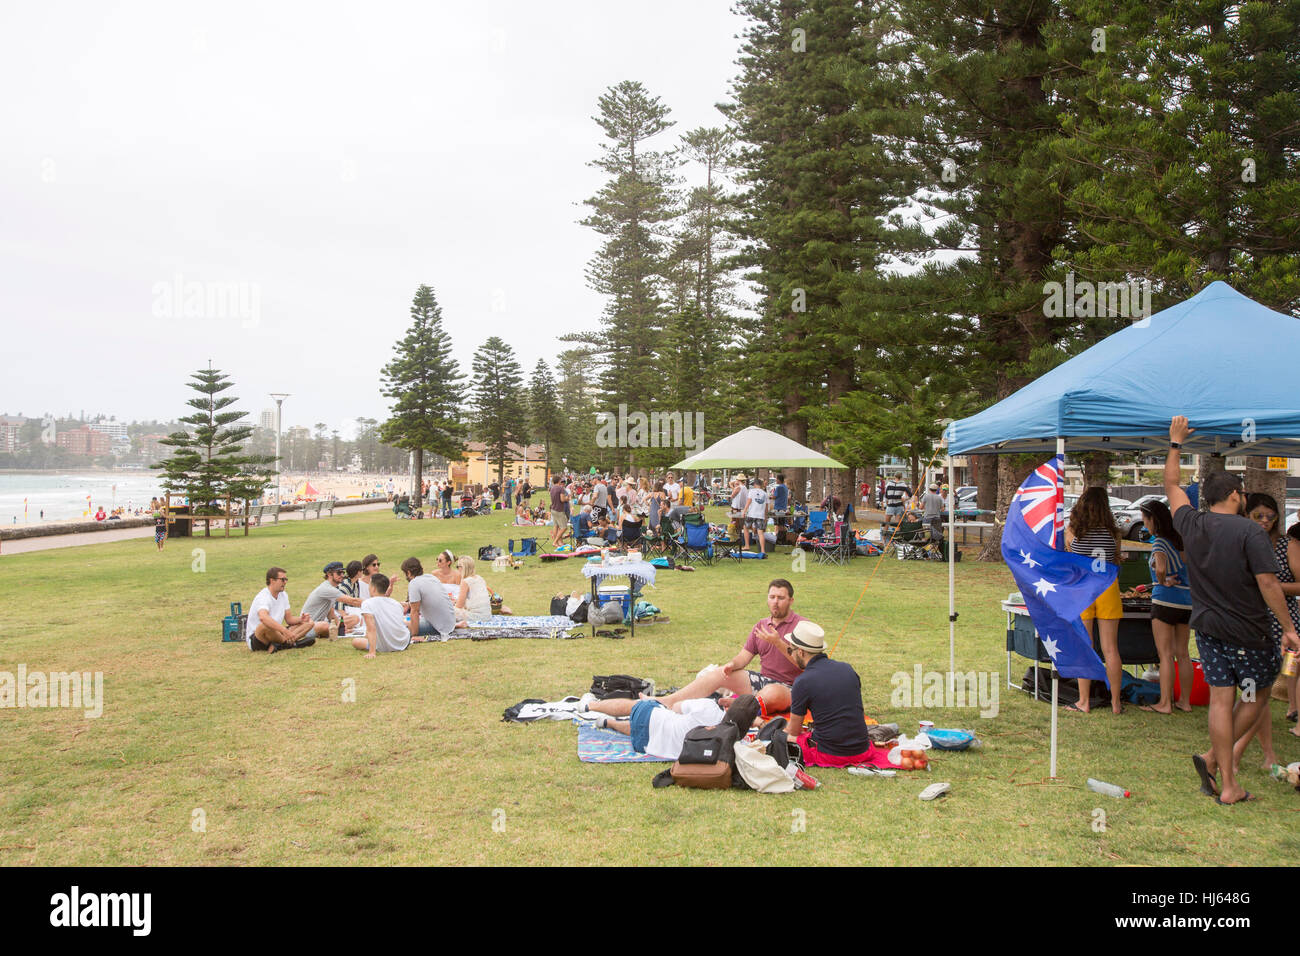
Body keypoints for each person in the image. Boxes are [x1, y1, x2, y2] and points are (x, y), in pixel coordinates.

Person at [1165, 416, 1298, 805]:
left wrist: (1176, 443)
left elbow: (1172, 485)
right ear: (1238, 495)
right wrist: (1289, 628)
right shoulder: (1250, 532)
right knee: (1254, 696)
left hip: (1207, 629)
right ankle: (1217, 768)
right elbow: (1269, 584)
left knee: (1222, 699)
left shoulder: (1192, 522)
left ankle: (1223, 777)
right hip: (1249, 634)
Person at [1230, 493, 1300, 769]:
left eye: (1270, 516)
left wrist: (1268, 586)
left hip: (1283, 626)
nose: (1265, 521)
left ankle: (1238, 753)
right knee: (1257, 693)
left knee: (1263, 691)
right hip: (1249, 624)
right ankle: (1267, 755)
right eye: (1258, 515)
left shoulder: (1287, 545)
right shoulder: (1241, 543)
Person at [584, 676, 762, 761]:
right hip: (647, 745)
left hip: (649, 718)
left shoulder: (708, 708)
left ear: (727, 704)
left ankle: (591, 706)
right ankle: (609, 723)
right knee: (649, 726)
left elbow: (676, 706)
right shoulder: (734, 744)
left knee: (645, 707)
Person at [782, 621, 876, 766]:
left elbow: (794, 731)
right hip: (863, 749)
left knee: (782, 737)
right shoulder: (847, 668)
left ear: (800, 652)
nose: (791, 656)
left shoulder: (803, 681)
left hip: (830, 753)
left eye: (790, 651)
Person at [1066, 487, 1124, 715]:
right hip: (1108, 588)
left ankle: (1084, 701)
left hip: (1083, 590)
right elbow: (1116, 560)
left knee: (1085, 645)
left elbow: (1070, 559)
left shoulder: (1073, 530)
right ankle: (1116, 703)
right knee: (1111, 649)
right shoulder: (1114, 532)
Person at [1140, 499, 1193, 714]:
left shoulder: (1160, 542)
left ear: (1153, 519)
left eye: (1145, 519)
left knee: (1165, 654)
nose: (1144, 523)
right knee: (1183, 653)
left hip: (1165, 600)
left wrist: (1162, 581)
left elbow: (1160, 567)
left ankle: (1164, 703)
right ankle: (1185, 702)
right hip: (1187, 602)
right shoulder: (1181, 541)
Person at [245, 567, 318, 654]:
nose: (285, 582)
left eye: (286, 579)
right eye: (282, 580)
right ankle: (291, 644)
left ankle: (282, 644)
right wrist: (285, 631)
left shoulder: (283, 595)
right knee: (265, 625)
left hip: (276, 634)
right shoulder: (263, 597)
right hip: (259, 638)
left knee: (310, 623)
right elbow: (263, 618)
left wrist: (301, 619)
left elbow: (289, 619)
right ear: (272, 580)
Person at [351, 572, 412, 657]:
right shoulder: (396, 603)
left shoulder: (367, 603)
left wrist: (372, 652)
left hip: (383, 646)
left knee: (356, 642)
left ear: (373, 589)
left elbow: (371, 628)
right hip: (403, 642)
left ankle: (373, 646)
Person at [400, 556, 458, 641]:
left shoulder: (414, 583)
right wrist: (408, 605)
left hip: (440, 627)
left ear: (408, 572)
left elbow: (414, 611)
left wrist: (414, 635)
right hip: (450, 621)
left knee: (401, 624)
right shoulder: (431, 577)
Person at [301, 562, 364, 638]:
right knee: (325, 625)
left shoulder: (331, 588)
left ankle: (332, 630)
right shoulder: (327, 589)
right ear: (329, 574)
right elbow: (353, 601)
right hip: (308, 627)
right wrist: (372, 603)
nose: (342, 575)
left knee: (355, 618)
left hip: (320, 623)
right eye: (339, 573)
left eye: (342, 572)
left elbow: (331, 613)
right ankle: (330, 631)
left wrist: (341, 627)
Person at [453, 555, 494, 623]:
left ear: (463, 568)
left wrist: (453, 604)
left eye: (458, 567)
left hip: (477, 617)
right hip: (487, 615)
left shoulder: (465, 581)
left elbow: (459, 606)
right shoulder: (479, 578)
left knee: (448, 611)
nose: (457, 569)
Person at [743, 477, 770, 555]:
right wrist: (766, 517)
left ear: (755, 485)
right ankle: (762, 550)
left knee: (745, 527)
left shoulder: (752, 491)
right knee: (760, 533)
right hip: (760, 515)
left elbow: (748, 502)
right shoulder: (765, 494)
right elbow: (766, 507)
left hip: (751, 513)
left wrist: (744, 511)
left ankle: (747, 545)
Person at [549, 475, 570, 549]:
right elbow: (562, 499)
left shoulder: (552, 488)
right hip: (559, 510)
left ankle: (558, 542)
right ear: (559, 481)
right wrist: (567, 498)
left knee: (556, 526)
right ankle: (555, 542)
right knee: (564, 527)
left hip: (553, 508)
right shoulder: (561, 488)